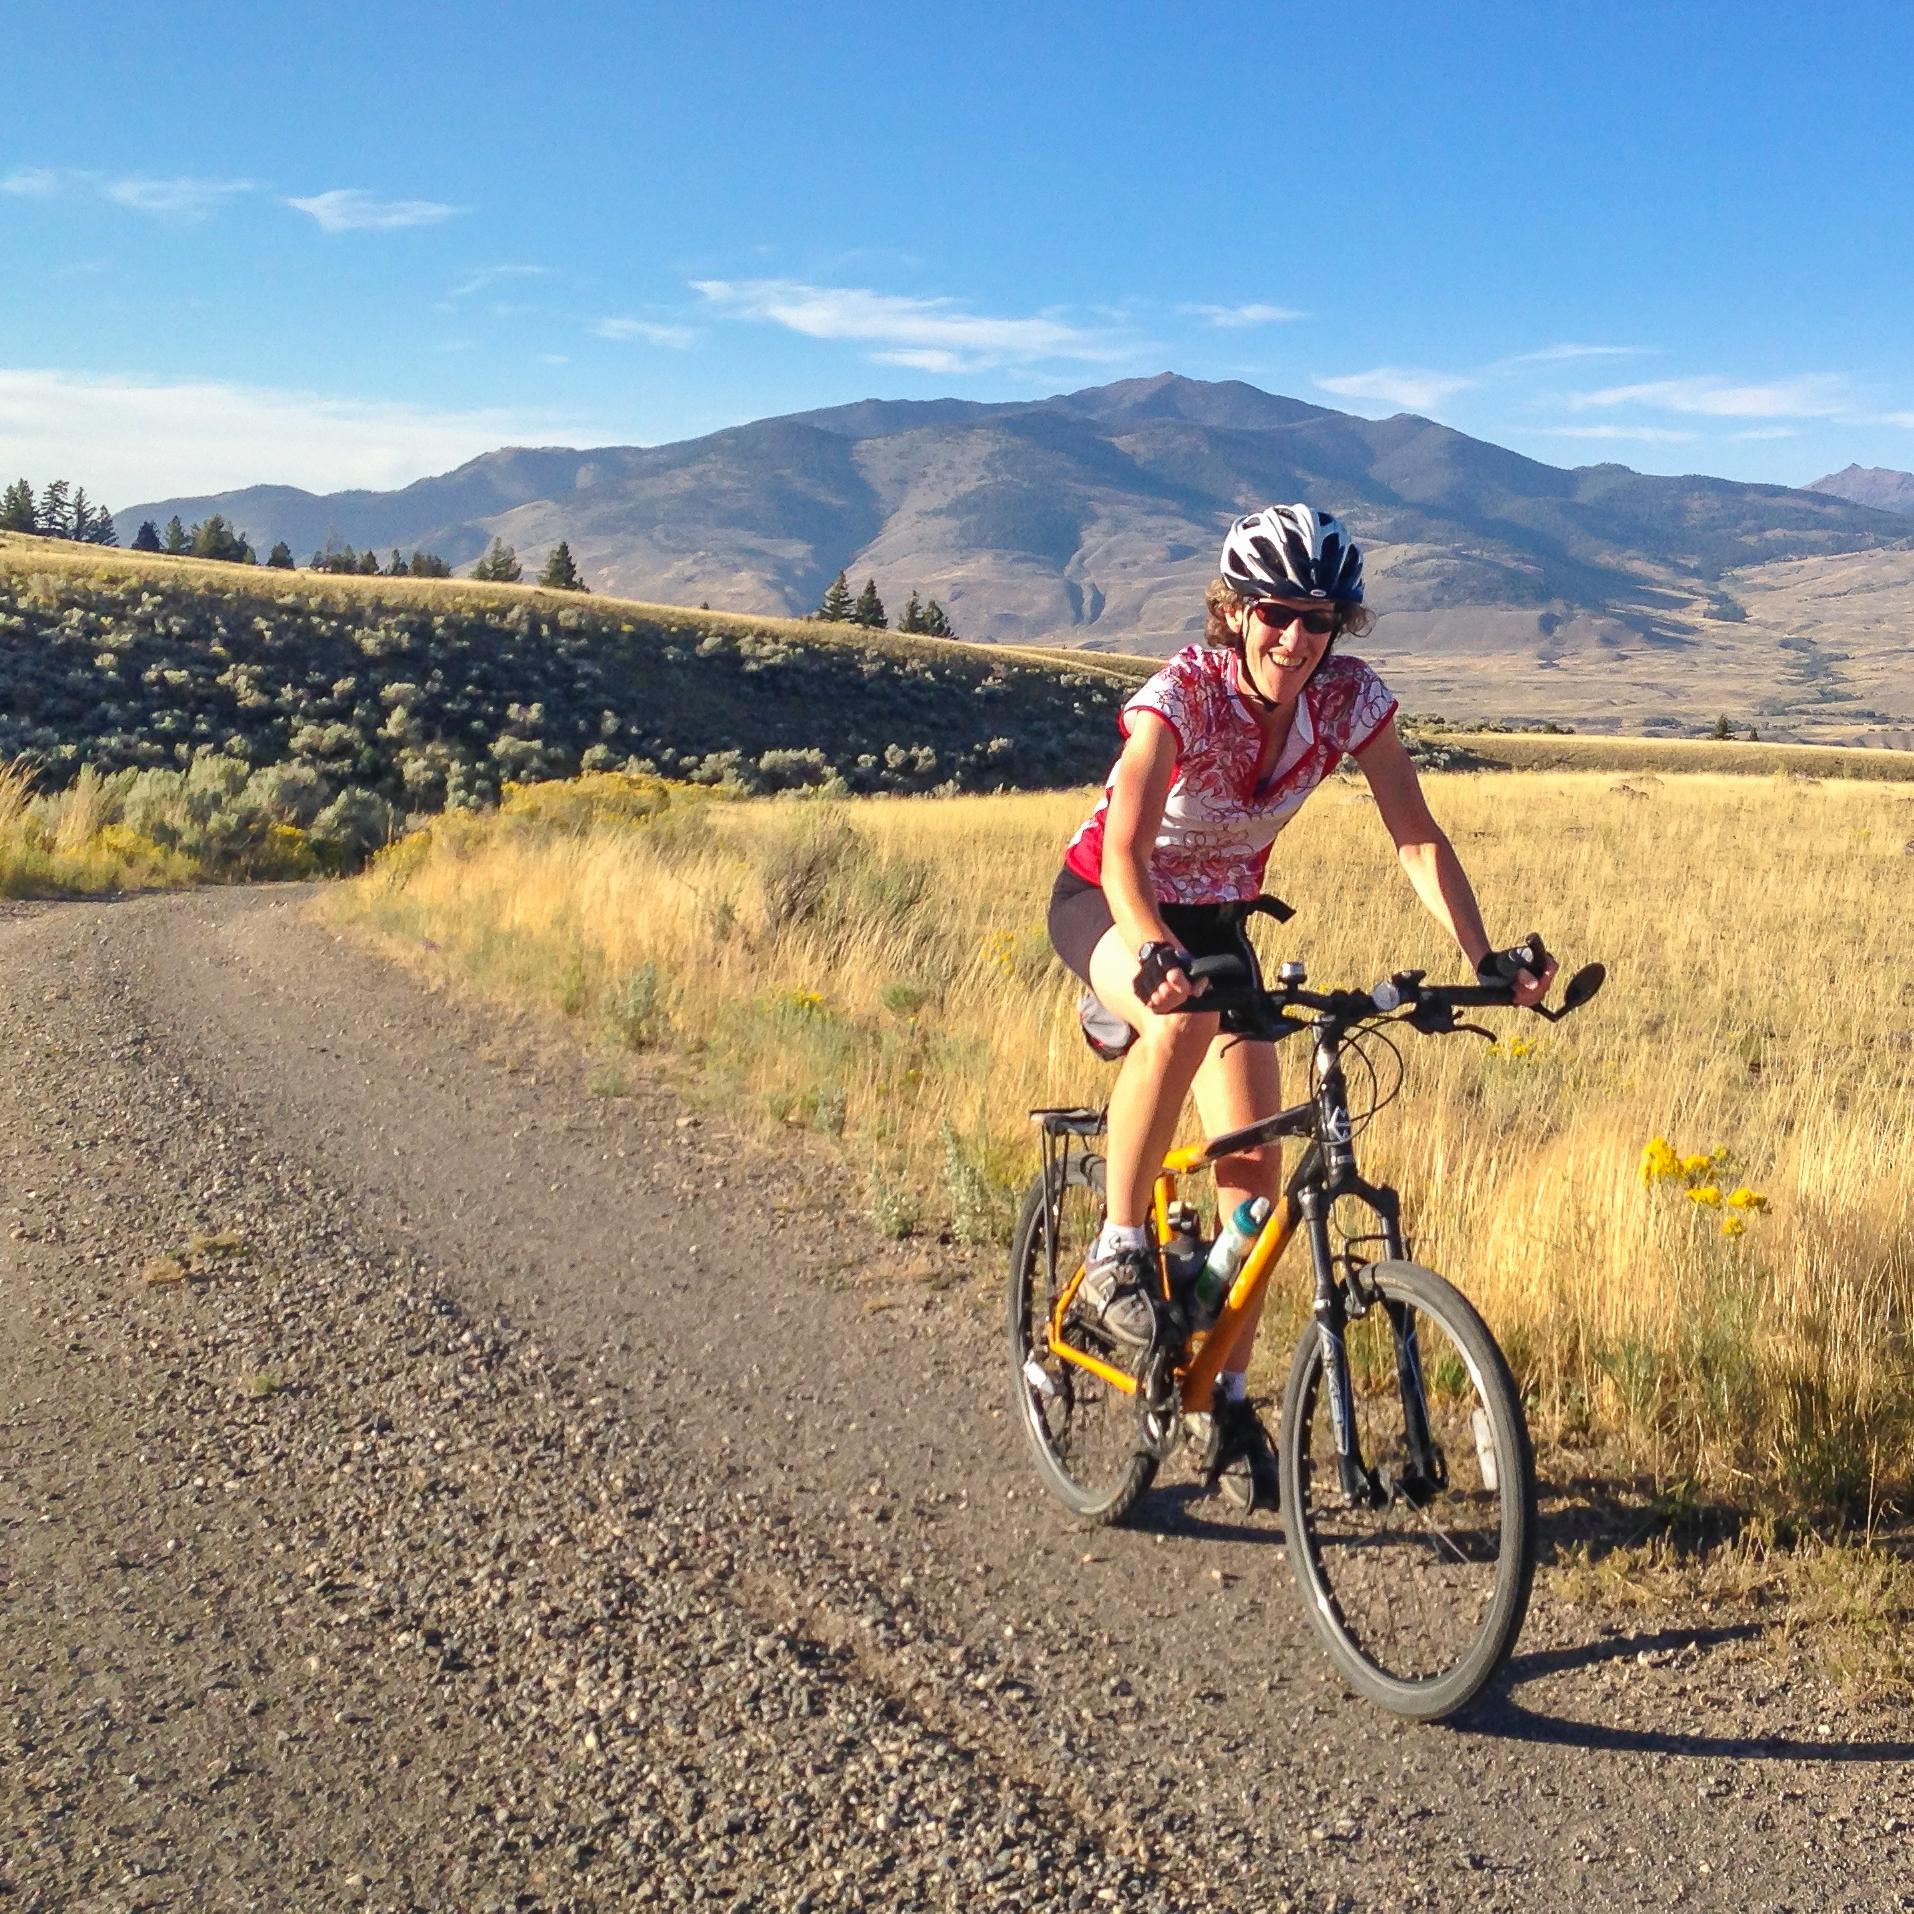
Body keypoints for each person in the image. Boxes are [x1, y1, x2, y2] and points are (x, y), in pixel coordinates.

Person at [1046, 503, 1555, 1510]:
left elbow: (1415, 834)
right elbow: (1123, 851)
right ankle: (1116, 1253)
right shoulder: (1181, 697)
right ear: (1235, 611)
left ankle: (1220, 1395)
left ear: (1340, 626)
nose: (1294, 638)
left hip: (1224, 925)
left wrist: (1484, 954)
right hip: (1109, 905)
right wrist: (1149, 949)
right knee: (1182, 1022)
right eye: (1274, 613)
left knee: (1256, 1201)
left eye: (1317, 619)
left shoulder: (1351, 700)